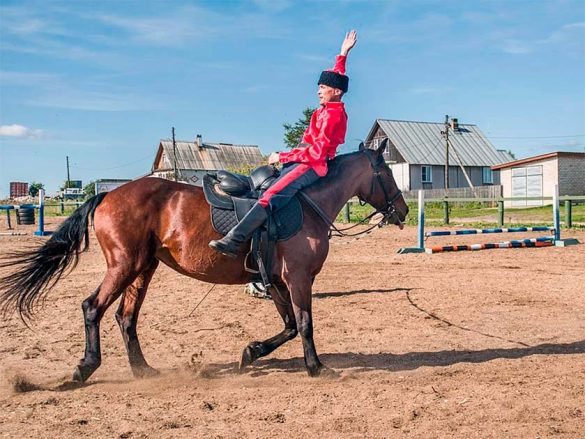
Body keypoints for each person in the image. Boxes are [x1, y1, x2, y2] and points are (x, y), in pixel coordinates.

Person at [209, 30, 358, 258]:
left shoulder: (332, 116)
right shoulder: (329, 108)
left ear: (336, 92)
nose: (318, 90)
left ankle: (235, 240)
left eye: (323, 88)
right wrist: (343, 53)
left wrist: (283, 157)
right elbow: (338, 75)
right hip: (306, 158)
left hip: (312, 166)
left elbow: (316, 153)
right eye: (318, 86)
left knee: (273, 194)